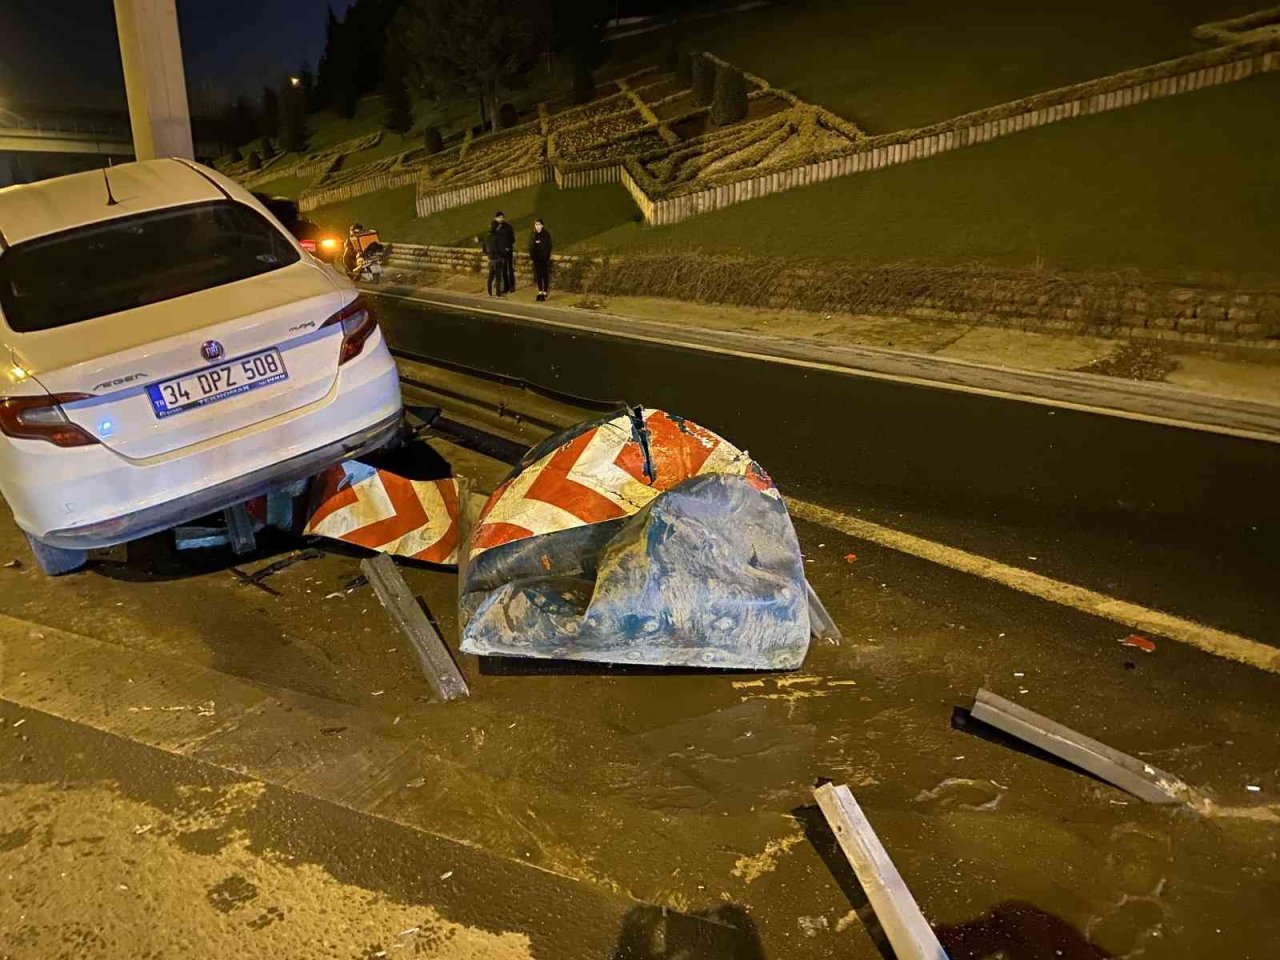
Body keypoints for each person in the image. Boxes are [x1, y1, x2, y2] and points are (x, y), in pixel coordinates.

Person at [491, 211, 516, 293]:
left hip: (508, 251)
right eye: (499, 217)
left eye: (502, 217)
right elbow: (492, 237)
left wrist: (508, 247)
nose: (501, 219)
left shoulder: (508, 227)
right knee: (504, 270)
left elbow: (512, 239)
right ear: (496, 218)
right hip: (500, 252)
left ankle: (512, 286)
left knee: (510, 269)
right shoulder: (494, 226)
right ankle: (506, 287)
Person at [529, 218, 553, 301]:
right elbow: (531, 246)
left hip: (544, 258)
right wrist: (532, 256)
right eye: (536, 225)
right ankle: (540, 291)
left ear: (542, 225)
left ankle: (545, 291)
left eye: (539, 225)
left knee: (544, 275)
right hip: (536, 259)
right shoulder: (533, 234)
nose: (537, 226)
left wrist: (546, 256)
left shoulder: (545, 235)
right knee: (538, 275)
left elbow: (548, 246)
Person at [479, 231, 507, 297]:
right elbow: (501, 249)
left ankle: (489, 292)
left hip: (490, 260)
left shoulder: (486, 238)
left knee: (490, 276)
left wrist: (488, 254)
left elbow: (484, 250)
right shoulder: (497, 238)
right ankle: (498, 293)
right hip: (497, 259)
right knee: (498, 277)